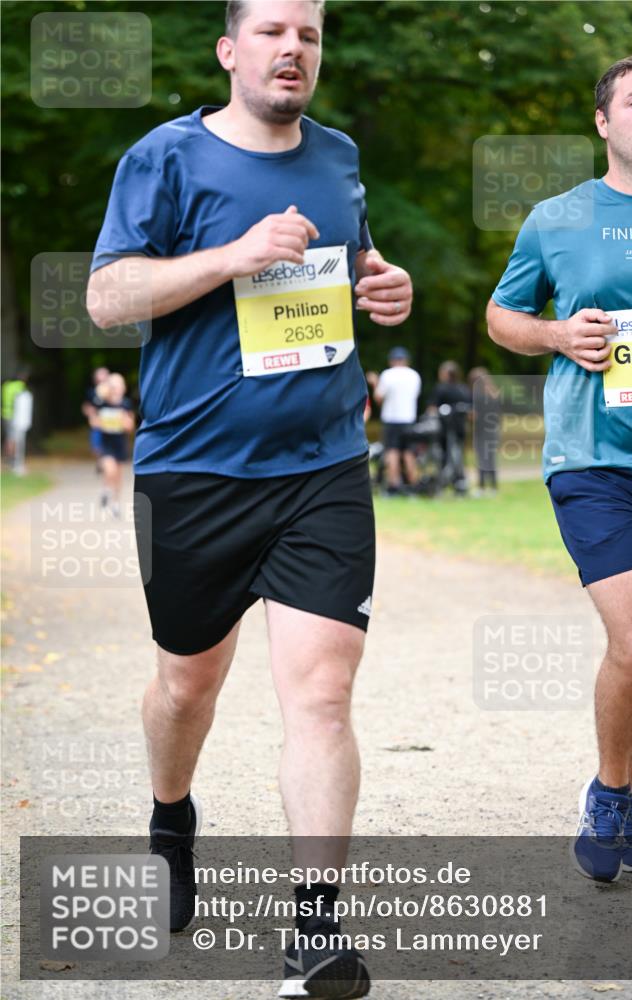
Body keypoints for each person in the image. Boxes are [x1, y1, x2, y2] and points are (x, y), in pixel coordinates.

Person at [87, 2, 412, 995]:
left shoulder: (340, 154)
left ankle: (315, 930)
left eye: (308, 34)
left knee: (320, 693)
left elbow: (352, 267)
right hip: (194, 471)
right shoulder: (166, 157)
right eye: (272, 31)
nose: (292, 49)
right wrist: (229, 257)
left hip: (320, 468)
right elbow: (106, 298)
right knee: (189, 685)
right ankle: (171, 815)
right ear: (231, 51)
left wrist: (385, 287)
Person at [487, 52, 632, 883]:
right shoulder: (557, 217)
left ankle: (619, 796)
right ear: (604, 122)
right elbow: (502, 316)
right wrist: (557, 336)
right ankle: (608, 797)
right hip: (596, 457)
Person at [366, 346, 421, 495]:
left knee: (392, 452)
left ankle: (394, 485)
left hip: (391, 419)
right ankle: (413, 485)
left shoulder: (387, 375)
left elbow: (379, 397)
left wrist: (375, 383)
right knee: (409, 453)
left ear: (392, 361)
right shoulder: (414, 375)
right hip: (409, 418)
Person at [87, 372, 134, 517]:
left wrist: (123, 420)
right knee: (110, 469)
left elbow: (130, 426)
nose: (116, 389)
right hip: (106, 442)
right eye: (113, 386)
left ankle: (115, 503)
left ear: (123, 388)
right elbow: (93, 421)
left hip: (120, 443)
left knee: (118, 476)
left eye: (119, 385)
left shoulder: (125, 404)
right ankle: (106, 490)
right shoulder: (102, 403)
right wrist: (101, 422)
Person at [428, 360, 471, 496]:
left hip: (444, 429)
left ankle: (444, 482)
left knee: (444, 457)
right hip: (461, 428)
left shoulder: (441, 389)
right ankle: (459, 482)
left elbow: (432, 409)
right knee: (459, 457)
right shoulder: (463, 389)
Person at [468, 366, 501, 497]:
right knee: (490, 458)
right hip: (493, 430)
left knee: (482, 458)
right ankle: (493, 487)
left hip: (481, 431)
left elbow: (475, 416)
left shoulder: (478, 396)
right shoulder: (494, 394)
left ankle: (482, 487)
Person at [81, 366, 110, 473]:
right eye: (100, 374)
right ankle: (100, 461)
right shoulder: (91, 392)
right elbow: (86, 406)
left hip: (110, 421)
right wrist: (90, 413)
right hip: (97, 421)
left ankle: (106, 462)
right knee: (96, 445)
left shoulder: (111, 390)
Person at [1, 367, 29, 466]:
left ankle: (7, 457)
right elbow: (24, 400)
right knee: (14, 438)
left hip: (4, 414)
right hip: (14, 416)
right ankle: (11, 459)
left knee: (8, 437)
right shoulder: (20, 386)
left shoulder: (6, 385)